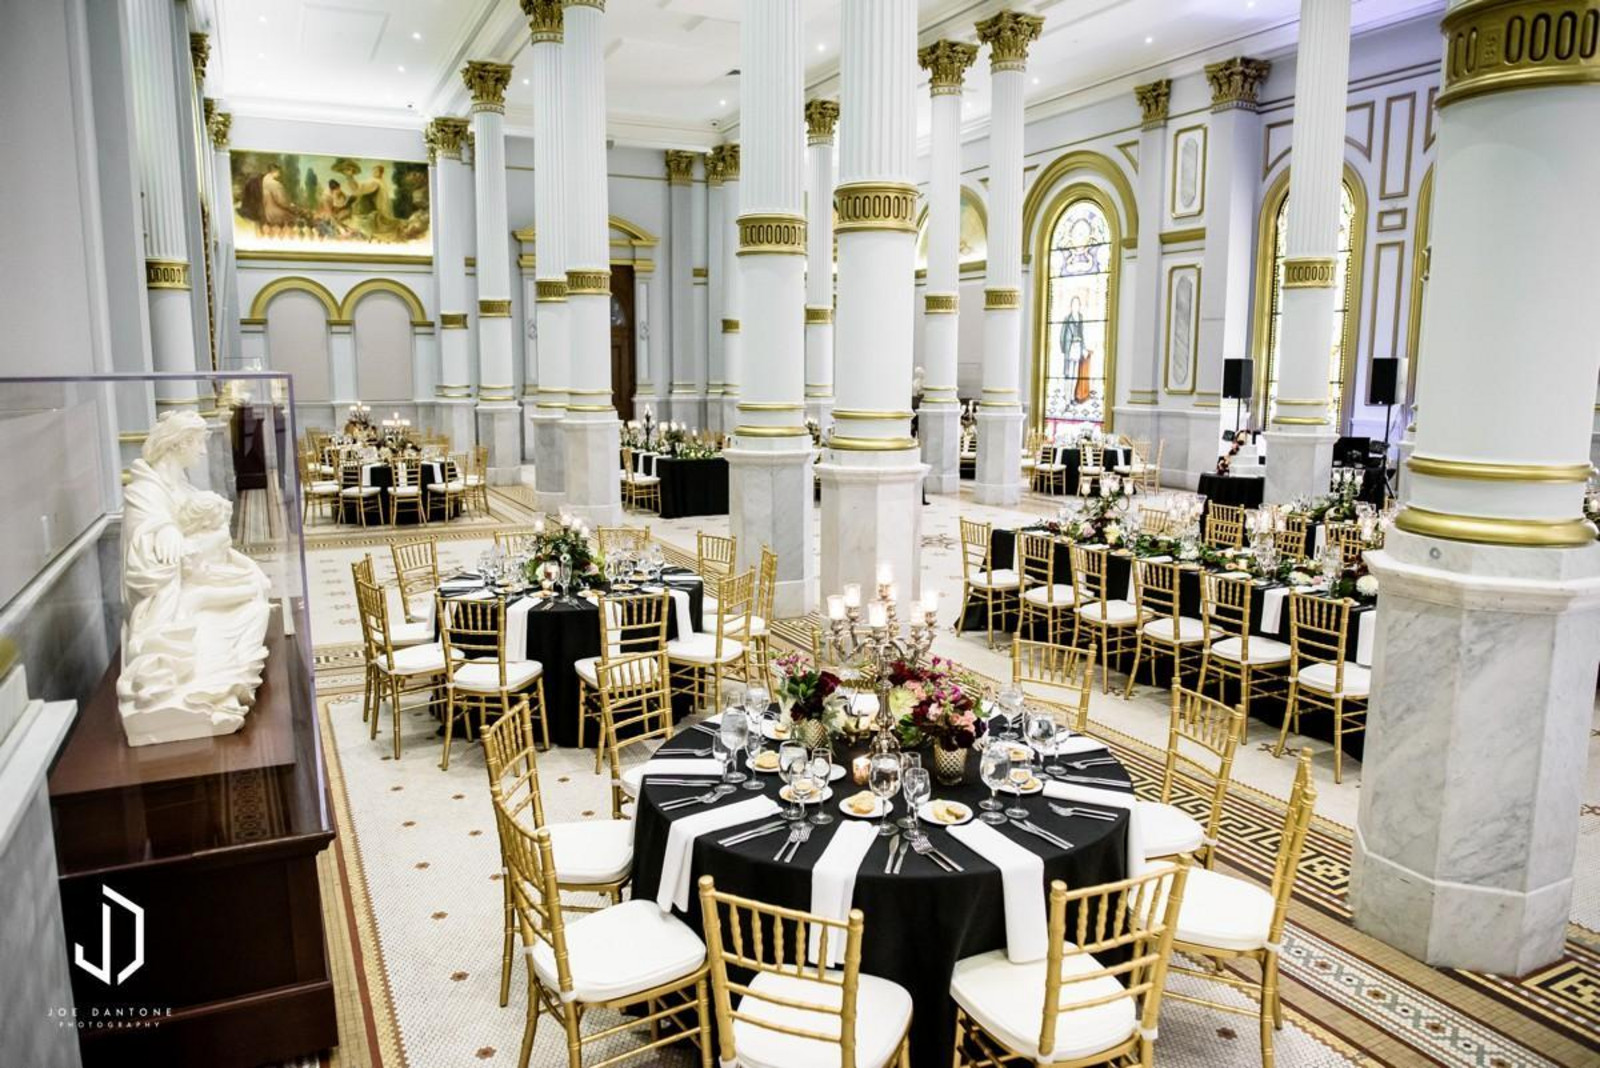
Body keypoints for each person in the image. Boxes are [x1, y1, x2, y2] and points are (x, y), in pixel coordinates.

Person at [118, 412, 273, 746]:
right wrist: (166, 530)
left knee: (256, 593)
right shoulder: (146, 487)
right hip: (177, 588)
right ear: (181, 443)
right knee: (251, 602)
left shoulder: (180, 484)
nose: (204, 451)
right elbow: (149, 535)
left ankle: (226, 683)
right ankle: (213, 687)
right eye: (199, 443)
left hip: (197, 573)